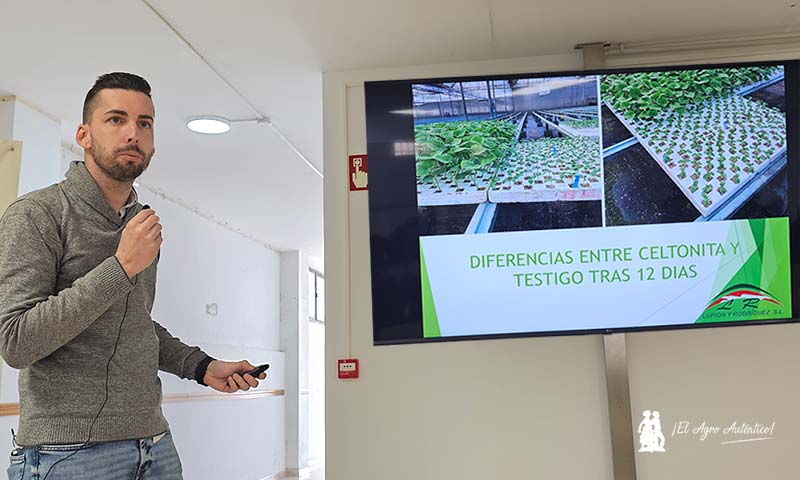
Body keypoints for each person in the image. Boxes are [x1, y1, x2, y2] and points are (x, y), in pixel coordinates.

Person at [0, 72, 267, 479]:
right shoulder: (37, 214)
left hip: (153, 445)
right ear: (84, 135)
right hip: (66, 454)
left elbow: (133, 323)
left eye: (145, 123)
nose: (133, 133)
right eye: (116, 119)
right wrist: (120, 267)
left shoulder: (140, 223)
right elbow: (16, 341)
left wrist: (201, 366)